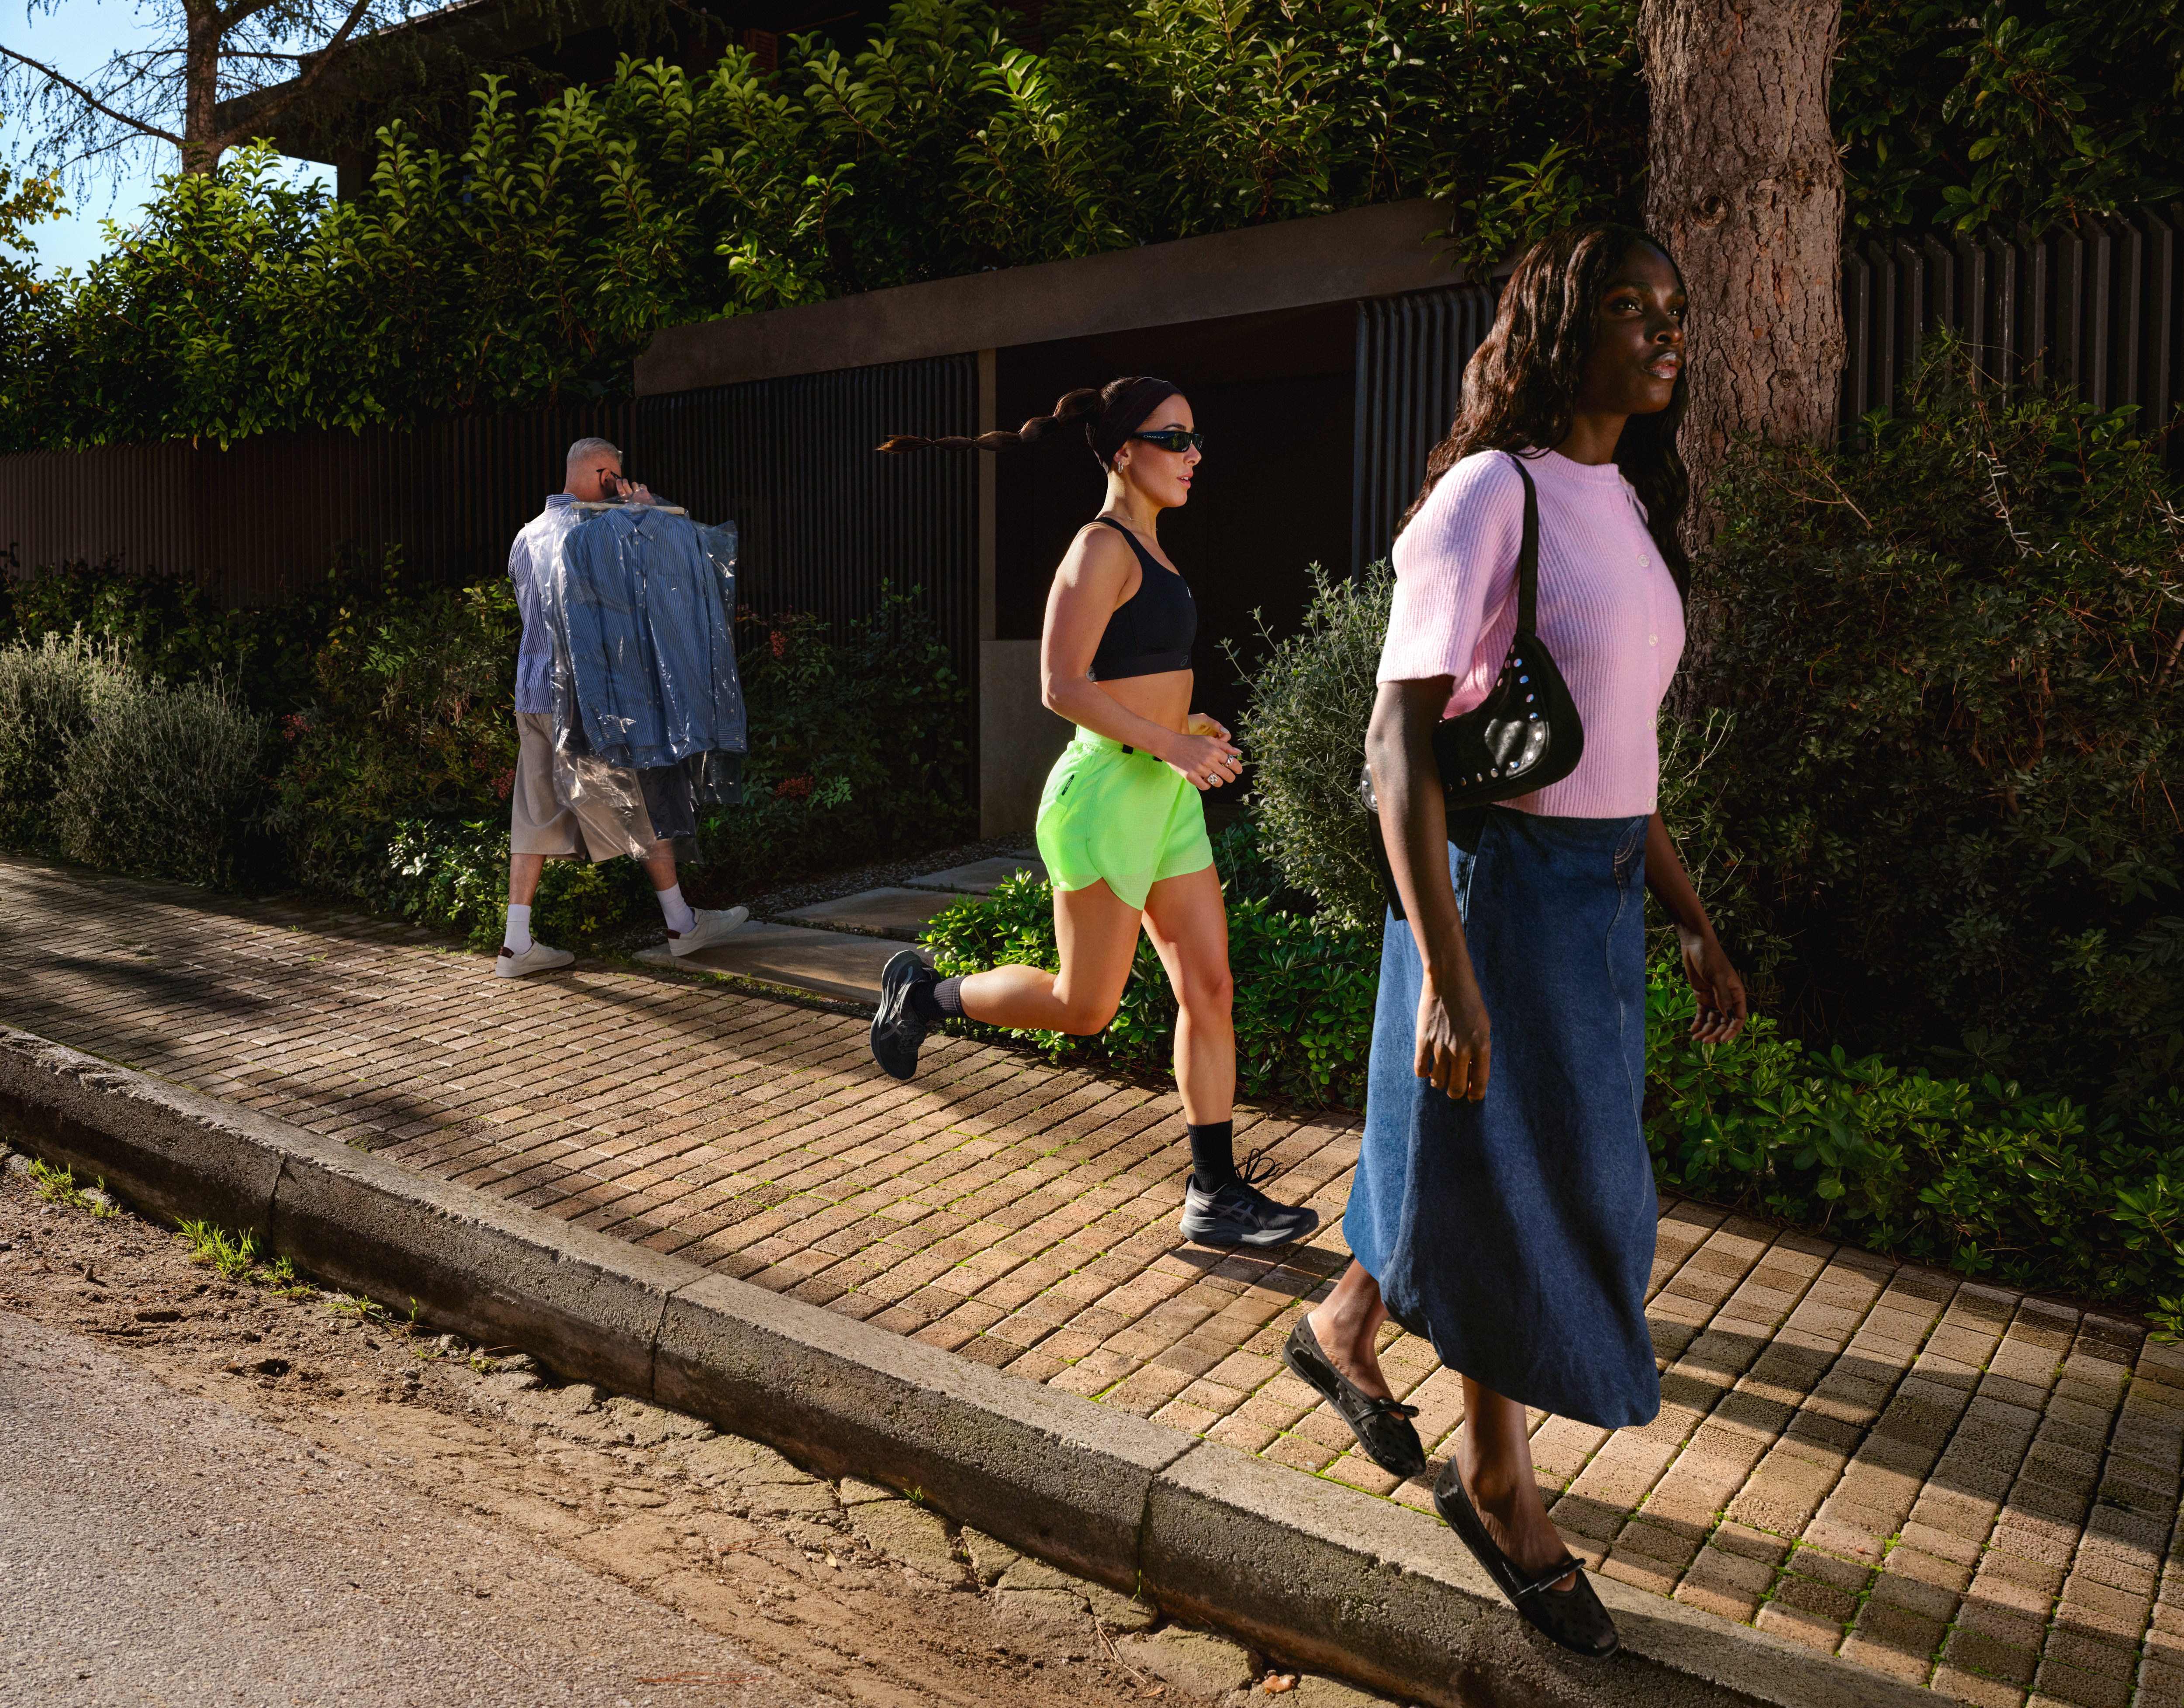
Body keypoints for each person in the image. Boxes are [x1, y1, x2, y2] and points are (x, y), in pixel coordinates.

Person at [1282, 228, 1749, 1656]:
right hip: (1499, 892)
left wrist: (1691, 916)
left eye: (1673, 309)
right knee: (1521, 1179)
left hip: (1597, 893)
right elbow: (1397, 745)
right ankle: (1497, 1482)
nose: (1664, 330)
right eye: (1627, 306)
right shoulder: (1492, 494)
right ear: (1557, 327)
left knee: (1508, 1158)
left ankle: (1342, 1325)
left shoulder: (1626, 504)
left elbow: (1621, 755)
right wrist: (1448, 973)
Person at [864, 379, 1319, 1249]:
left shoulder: (1153, 545)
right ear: (1122, 451)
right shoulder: (1100, 545)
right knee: (1084, 1008)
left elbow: (1128, 677)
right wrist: (1169, 740)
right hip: (1106, 797)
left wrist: (1183, 725)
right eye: (1173, 438)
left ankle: (1215, 1191)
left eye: (1195, 437)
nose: (1193, 454)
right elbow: (1061, 685)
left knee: (1209, 987)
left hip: (1164, 796)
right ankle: (925, 994)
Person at [495, 437, 749, 977]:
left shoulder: (527, 534)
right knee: (642, 800)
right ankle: (681, 923)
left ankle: (516, 943)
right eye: (615, 477)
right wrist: (646, 517)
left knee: (534, 814)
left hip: (534, 694)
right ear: (604, 474)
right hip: (589, 699)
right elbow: (637, 597)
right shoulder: (597, 531)